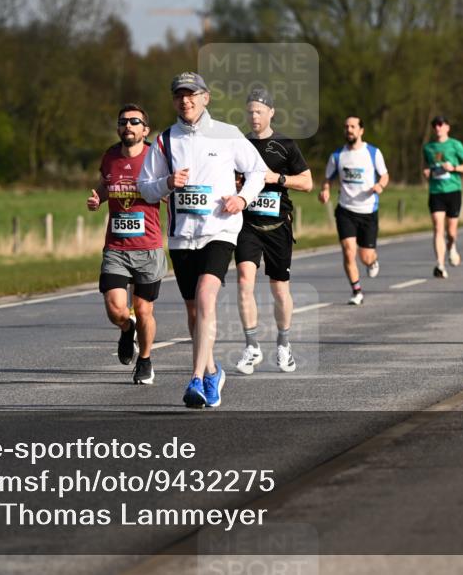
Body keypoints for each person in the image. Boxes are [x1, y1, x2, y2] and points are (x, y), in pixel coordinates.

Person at [138, 72, 266, 409]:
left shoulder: (227, 134)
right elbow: (145, 187)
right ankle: (212, 372)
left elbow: (257, 170)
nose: (186, 101)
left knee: (207, 298)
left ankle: (195, 379)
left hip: (219, 231)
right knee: (194, 313)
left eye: (192, 94)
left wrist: (242, 198)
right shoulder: (165, 141)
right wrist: (166, 182)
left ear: (205, 98)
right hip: (182, 238)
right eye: (180, 95)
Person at [233, 89, 312, 375]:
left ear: (271, 113)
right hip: (247, 224)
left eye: (259, 111)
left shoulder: (285, 145)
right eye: (250, 111)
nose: (254, 116)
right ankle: (251, 345)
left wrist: (276, 178)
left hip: (278, 224)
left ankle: (283, 344)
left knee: (280, 289)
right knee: (244, 281)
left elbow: (307, 182)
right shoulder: (239, 144)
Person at [86, 104, 165, 385]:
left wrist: (169, 191)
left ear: (145, 130)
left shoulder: (155, 157)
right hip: (117, 247)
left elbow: (167, 188)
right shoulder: (110, 156)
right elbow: (105, 184)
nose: (128, 126)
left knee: (144, 309)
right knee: (116, 309)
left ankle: (145, 360)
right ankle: (125, 327)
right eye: (123, 122)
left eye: (134, 122)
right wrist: (99, 198)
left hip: (149, 247)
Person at [319, 116, 389, 305]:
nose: (349, 130)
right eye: (346, 126)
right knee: (348, 251)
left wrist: (380, 186)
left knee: (365, 257)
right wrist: (325, 190)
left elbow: (384, 175)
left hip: (368, 211)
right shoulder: (337, 156)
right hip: (346, 210)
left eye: (353, 126)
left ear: (361, 130)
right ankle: (356, 290)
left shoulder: (373, 153)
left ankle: (372, 261)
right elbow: (327, 178)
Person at [422, 116, 463, 278]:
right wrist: (426, 172)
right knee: (438, 227)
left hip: (453, 191)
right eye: (435, 125)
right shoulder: (428, 148)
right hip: (436, 192)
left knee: (451, 232)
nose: (438, 127)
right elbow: (426, 167)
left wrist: (454, 167)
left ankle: (452, 247)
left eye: (441, 124)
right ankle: (440, 265)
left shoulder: (455, 145)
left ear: (447, 127)